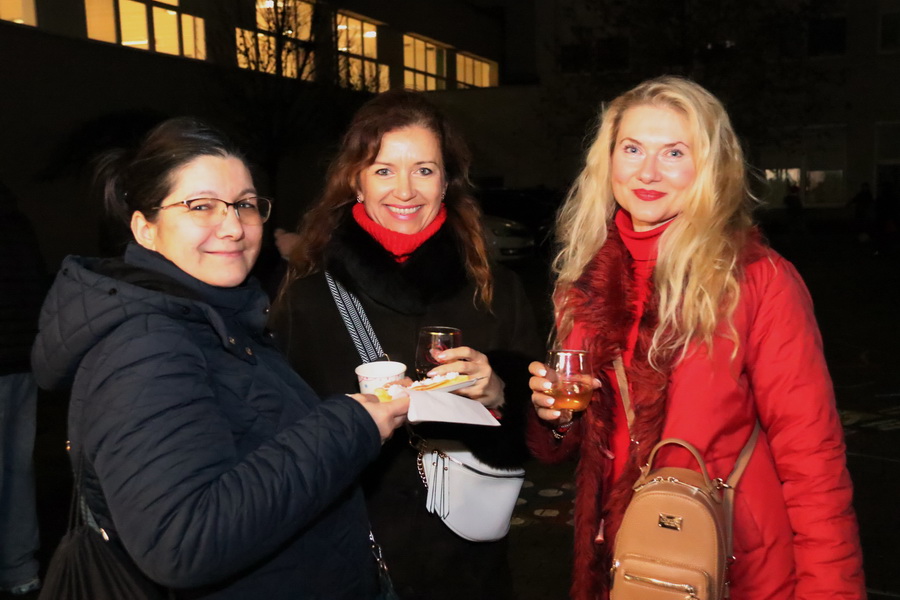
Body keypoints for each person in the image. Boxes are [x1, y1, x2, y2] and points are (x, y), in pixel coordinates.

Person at [30, 117, 409, 599]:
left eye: (245, 204)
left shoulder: (222, 317)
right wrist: (350, 425)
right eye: (201, 206)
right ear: (145, 229)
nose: (233, 227)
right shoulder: (145, 345)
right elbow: (182, 541)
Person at [527, 76, 865, 599]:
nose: (647, 172)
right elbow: (586, 444)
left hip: (737, 568)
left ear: (710, 167)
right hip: (630, 566)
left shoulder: (756, 280)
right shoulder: (586, 281)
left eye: (674, 153)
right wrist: (555, 418)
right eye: (632, 149)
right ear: (607, 160)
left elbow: (813, 460)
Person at [271, 90, 541, 600]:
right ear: (356, 181)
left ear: (446, 182)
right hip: (349, 561)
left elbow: (541, 437)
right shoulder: (307, 298)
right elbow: (278, 446)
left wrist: (500, 393)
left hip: (469, 566)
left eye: (424, 170)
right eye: (383, 170)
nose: (405, 190)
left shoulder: (495, 290)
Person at [0, 181, 45, 597]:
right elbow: (36, 290)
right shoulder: (18, 224)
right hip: (22, 359)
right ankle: (20, 569)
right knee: (17, 466)